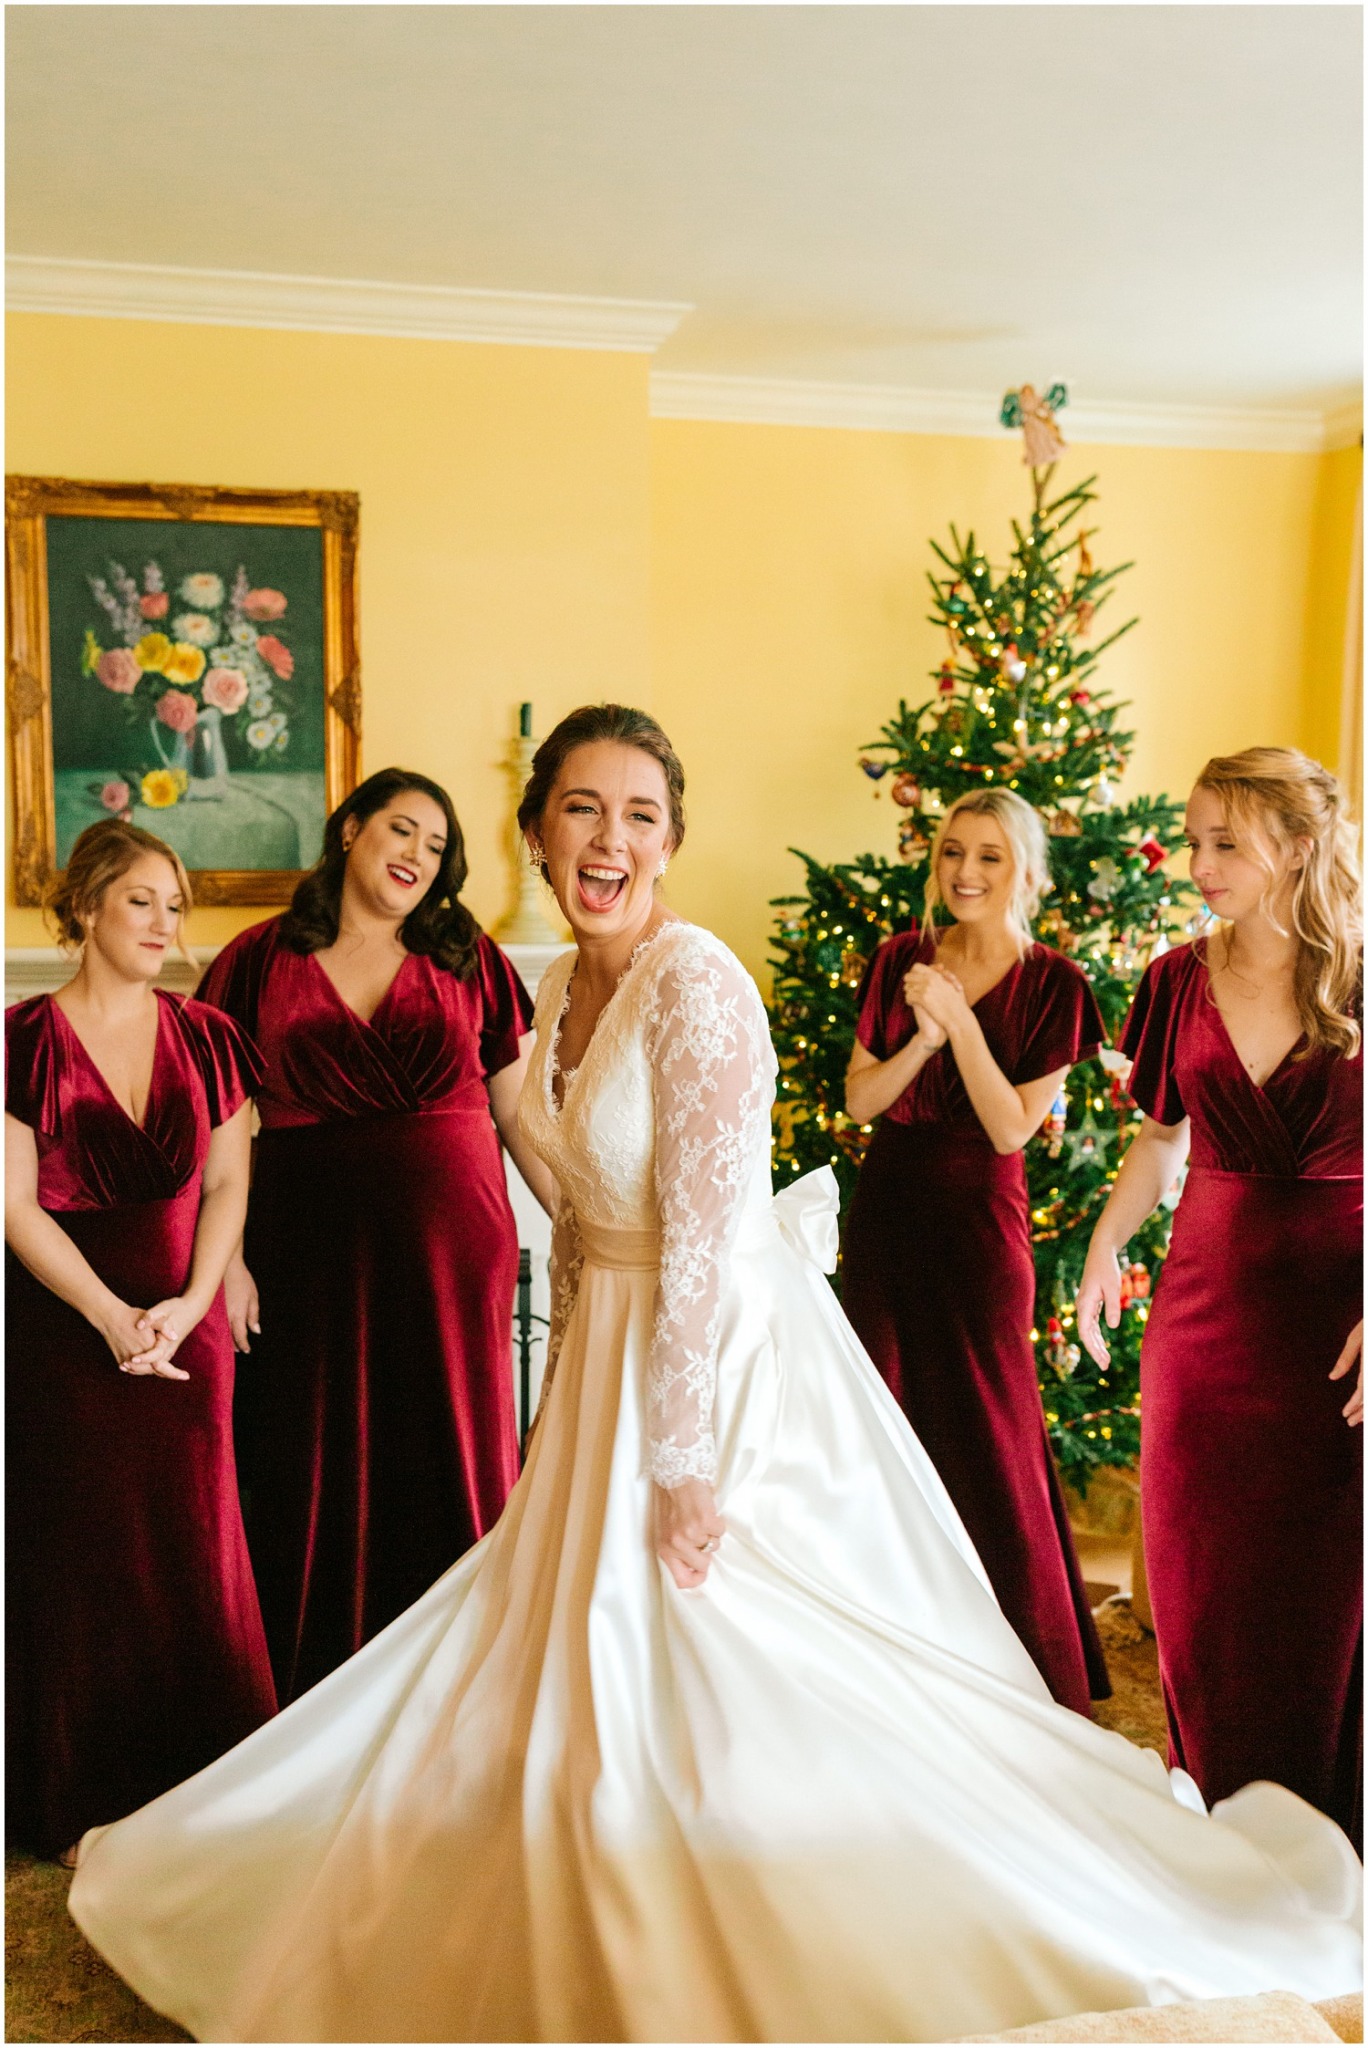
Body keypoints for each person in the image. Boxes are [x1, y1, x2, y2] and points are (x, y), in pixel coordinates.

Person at [69, 711, 1359, 2045]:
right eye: (580, 810)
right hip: (610, 1356)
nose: (607, 839)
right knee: (566, 1659)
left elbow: (704, 1242)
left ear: (672, 840)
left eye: (638, 814)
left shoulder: (701, 987)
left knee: (716, 1657)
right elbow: (573, 1214)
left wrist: (682, 1460)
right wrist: (572, 1388)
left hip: (716, 1368)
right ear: (537, 833)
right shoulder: (561, 986)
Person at [196, 767, 554, 1702]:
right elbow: (220, 1131)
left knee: (447, 1451)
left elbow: (520, 1118)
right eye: (401, 831)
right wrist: (224, 1264)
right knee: (303, 1459)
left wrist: (585, 1231)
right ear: (350, 830)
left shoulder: (465, 955)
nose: (417, 857)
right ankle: (308, 1695)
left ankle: (463, 1695)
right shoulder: (254, 959)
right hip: (302, 1250)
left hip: (451, 1249)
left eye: (437, 848)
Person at [1078, 747, 1362, 1843]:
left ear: (1295, 847)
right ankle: (1222, 1835)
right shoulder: (1174, 980)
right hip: (1203, 1325)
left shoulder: (1364, 973)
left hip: (1338, 1332)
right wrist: (1109, 1236)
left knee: (1324, 1606)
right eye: (1194, 841)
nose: (1195, 863)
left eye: (1222, 843)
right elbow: (1160, 1140)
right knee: (1206, 1596)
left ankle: (1331, 1844)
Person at [5, 821, 275, 1866]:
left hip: (183, 1330)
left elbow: (229, 1182)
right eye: (142, 901)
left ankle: (209, 1783)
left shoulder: (207, 1035)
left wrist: (194, 1297)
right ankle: (83, 1802)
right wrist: (111, 1314)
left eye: (177, 902)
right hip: (68, 1336)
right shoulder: (20, 1041)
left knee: (194, 1546)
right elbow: (14, 1206)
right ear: (84, 908)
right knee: (83, 1561)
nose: (167, 921)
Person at [841, 789, 1109, 1715]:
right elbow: (862, 1104)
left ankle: (1020, 1662)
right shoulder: (896, 961)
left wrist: (959, 1025)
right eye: (954, 851)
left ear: (1025, 871)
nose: (965, 871)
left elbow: (1007, 1129)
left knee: (990, 1436)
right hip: (886, 1219)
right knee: (879, 1420)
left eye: (990, 856)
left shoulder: (1057, 986)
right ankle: (886, 1645)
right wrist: (921, 1036)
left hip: (980, 1229)